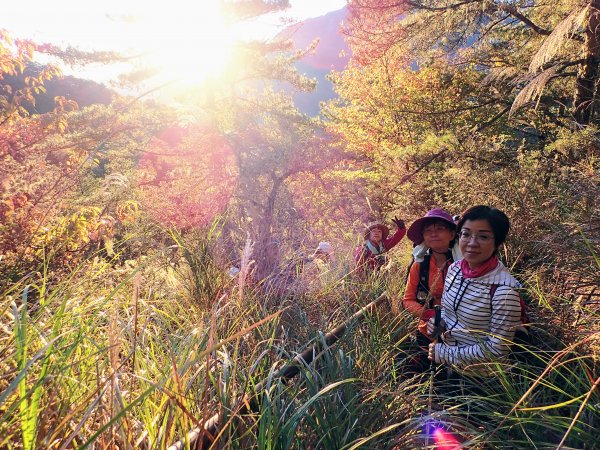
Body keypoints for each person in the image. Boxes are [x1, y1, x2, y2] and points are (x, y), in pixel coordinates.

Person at [427, 205, 524, 374]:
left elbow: (498, 349)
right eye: (466, 234)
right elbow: (449, 312)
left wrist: (445, 353)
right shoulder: (454, 269)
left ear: (498, 243)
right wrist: (438, 323)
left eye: (483, 236)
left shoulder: (504, 291)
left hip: (482, 381)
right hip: (450, 368)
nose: (472, 243)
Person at [402, 208, 459, 359]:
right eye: (428, 231)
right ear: (423, 237)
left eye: (440, 229)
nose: (433, 233)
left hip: (460, 332)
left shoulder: (465, 265)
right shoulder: (419, 265)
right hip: (426, 331)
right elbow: (408, 300)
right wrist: (430, 316)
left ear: (452, 234)